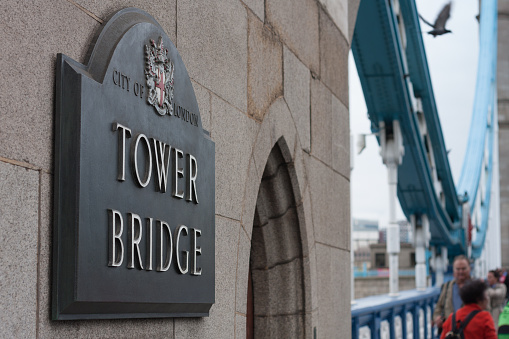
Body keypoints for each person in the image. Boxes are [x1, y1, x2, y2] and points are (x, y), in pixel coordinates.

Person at [433, 255, 471, 332]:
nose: (461, 272)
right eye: (458, 269)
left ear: (469, 269)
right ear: (453, 270)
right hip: (450, 332)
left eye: (463, 269)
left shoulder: (477, 288)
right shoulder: (446, 287)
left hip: (469, 332)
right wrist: (437, 318)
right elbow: (438, 307)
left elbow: (485, 310)